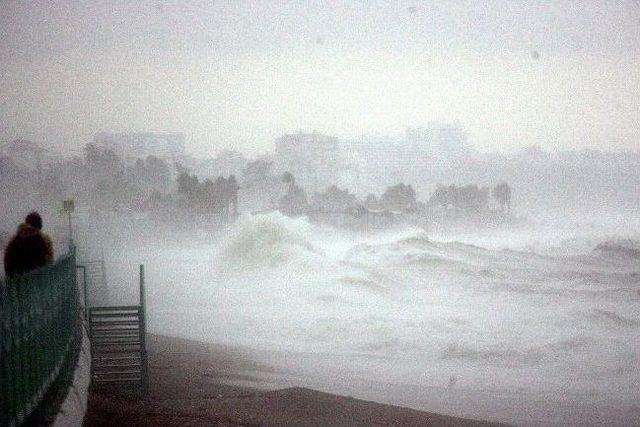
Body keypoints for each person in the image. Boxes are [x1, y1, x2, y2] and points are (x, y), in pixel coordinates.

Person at [3, 212, 54, 278]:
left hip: (16, 282)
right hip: (38, 279)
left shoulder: (14, 239)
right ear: (40, 225)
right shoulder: (44, 239)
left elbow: (7, 259)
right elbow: (49, 261)